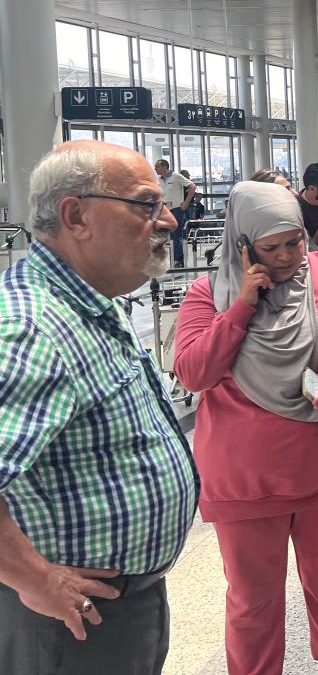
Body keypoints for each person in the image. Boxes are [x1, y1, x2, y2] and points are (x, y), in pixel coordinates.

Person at [0, 142, 198, 675]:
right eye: (145, 205)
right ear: (76, 215)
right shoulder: (31, 327)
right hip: (69, 624)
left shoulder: (89, 303)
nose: (169, 220)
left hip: (120, 603)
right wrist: (35, 580)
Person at [173, 183, 318, 675]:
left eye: (296, 241)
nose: (290, 256)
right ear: (244, 243)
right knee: (253, 604)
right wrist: (243, 306)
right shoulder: (210, 293)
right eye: (273, 247)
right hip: (247, 486)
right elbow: (192, 372)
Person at [155, 158, 196, 266]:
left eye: (157, 167)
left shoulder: (176, 176)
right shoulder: (157, 179)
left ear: (165, 167)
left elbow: (192, 187)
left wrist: (186, 202)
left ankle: (178, 260)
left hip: (176, 209)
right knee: (161, 234)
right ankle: (165, 259)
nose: (155, 169)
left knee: (175, 235)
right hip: (163, 210)